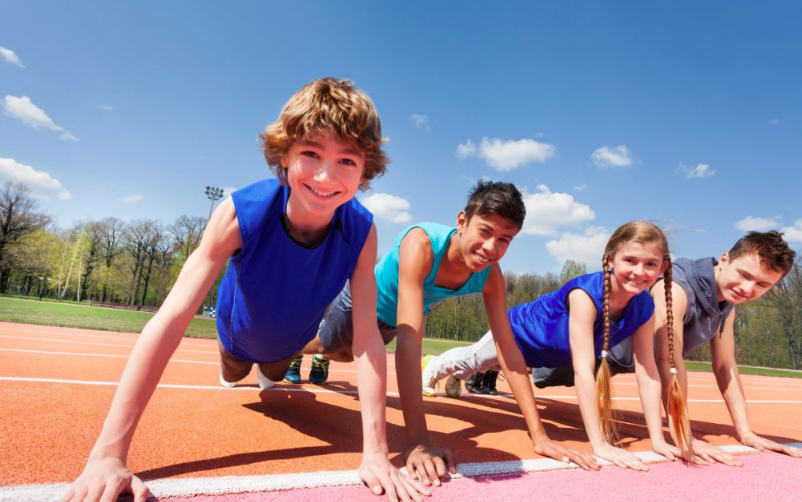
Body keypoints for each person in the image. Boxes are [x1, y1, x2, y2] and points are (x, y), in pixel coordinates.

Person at [62, 78, 427, 502]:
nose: (326, 176)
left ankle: (274, 367)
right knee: (234, 376)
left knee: (272, 380)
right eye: (311, 153)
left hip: (287, 346)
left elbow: (366, 339)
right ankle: (233, 365)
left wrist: (377, 453)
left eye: (346, 160)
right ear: (284, 155)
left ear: (366, 170)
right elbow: (171, 320)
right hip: (236, 338)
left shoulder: (361, 232)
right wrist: (108, 455)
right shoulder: (240, 214)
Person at [303, 180, 596, 483]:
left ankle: (310, 348)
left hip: (391, 321)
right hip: (363, 303)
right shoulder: (421, 243)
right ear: (462, 221)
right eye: (485, 231)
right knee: (328, 348)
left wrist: (540, 436)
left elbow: (508, 351)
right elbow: (409, 340)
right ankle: (297, 346)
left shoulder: (490, 277)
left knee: (345, 356)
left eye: (504, 240)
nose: (491, 248)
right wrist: (418, 441)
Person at [423, 221, 687, 470]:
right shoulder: (585, 295)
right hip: (518, 333)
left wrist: (658, 439)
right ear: (610, 260)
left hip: (547, 355)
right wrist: (599, 444)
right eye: (630, 260)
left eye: (650, 264)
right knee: (475, 359)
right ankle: (433, 366)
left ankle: (458, 376)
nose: (639, 272)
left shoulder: (645, 308)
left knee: (480, 366)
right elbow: (583, 371)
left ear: (662, 268)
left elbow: (647, 371)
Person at [647, 231, 801, 464]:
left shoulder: (727, 304)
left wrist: (746, 432)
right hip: (590, 356)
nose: (747, 288)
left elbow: (725, 364)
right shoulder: (675, 288)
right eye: (744, 274)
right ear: (725, 259)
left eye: (762, 284)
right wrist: (683, 433)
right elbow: (668, 359)